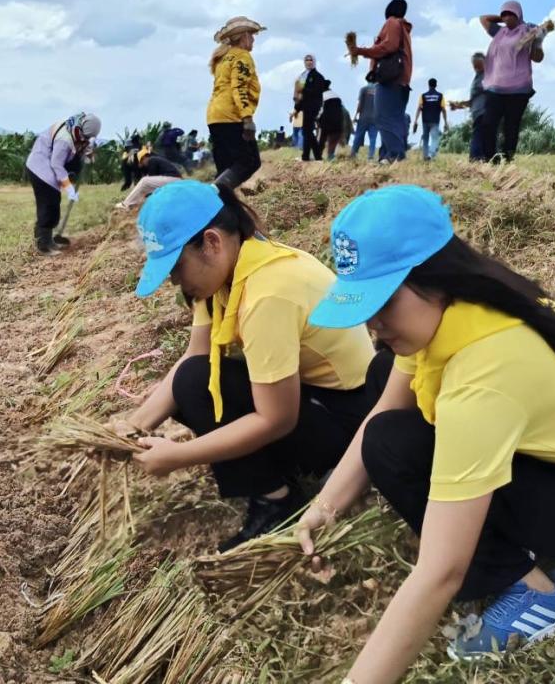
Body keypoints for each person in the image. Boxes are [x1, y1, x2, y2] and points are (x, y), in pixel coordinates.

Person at [298, 186, 555, 677]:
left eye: (384, 303)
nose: (374, 325)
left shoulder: (484, 372)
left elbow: (440, 571)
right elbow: (385, 405)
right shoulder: (464, 303)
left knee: (393, 445)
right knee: (386, 379)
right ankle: (517, 540)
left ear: (433, 279)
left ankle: (539, 592)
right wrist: (324, 509)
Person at [120, 181, 387, 550]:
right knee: (194, 380)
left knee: (199, 384)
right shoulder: (228, 272)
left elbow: (277, 419)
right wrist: (128, 429)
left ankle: (277, 499)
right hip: (307, 396)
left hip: (346, 417)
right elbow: (193, 359)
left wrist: (178, 457)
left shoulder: (267, 292)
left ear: (211, 243)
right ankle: (275, 472)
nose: (174, 280)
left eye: (176, 267)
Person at [477, 3, 551, 162]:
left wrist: (538, 41)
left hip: (519, 89)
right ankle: (490, 159)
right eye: (504, 14)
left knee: (511, 126)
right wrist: (504, 19)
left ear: (519, 15)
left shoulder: (528, 32)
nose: (507, 17)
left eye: (511, 14)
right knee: (488, 123)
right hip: (495, 87)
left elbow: (537, 58)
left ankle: (507, 158)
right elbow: (483, 19)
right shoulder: (499, 32)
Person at [348, 0, 413, 163]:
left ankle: (395, 155)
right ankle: (386, 156)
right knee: (395, 118)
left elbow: (388, 47)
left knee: (383, 117)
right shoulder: (404, 28)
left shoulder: (392, 22)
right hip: (402, 80)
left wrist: (361, 51)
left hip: (390, 79)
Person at [26, 111, 101, 253]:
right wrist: (69, 188)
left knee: (53, 205)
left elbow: (81, 144)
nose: (86, 139)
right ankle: (43, 245)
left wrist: (87, 152)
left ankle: (47, 239)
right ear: (82, 129)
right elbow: (56, 164)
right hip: (40, 168)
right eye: (86, 136)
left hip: (48, 168)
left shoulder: (76, 128)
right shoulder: (64, 139)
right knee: (49, 205)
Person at [206, 16, 264, 190]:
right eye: (251, 35)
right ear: (244, 36)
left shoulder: (224, 58)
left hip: (214, 116)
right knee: (250, 161)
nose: (253, 39)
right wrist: (247, 118)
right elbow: (238, 87)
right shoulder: (242, 56)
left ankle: (219, 206)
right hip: (231, 116)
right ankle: (214, 192)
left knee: (226, 167)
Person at [448, 53, 488, 161]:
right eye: (475, 66)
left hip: (485, 112)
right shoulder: (477, 78)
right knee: (480, 136)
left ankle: (477, 159)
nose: (477, 68)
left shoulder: (488, 76)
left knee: (480, 137)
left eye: (479, 65)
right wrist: (458, 105)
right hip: (477, 112)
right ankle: (480, 160)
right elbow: (473, 101)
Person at [116, 147, 184, 210]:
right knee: (146, 182)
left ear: (144, 157)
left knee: (145, 181)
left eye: (141, 162)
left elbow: (149, 181)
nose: (143, 165)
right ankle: (132, 203)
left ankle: (126, 204)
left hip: (174, 180)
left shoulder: (152, 160)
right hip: (174, 181)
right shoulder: (156, 160)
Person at [295, 55, 327, 162]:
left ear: (314, 62)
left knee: (307, 131)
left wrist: (304, 90)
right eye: (306, 60)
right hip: (305, 106)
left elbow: (316, 92)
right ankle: (306, 156)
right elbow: (299, 94)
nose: (309, 62)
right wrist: (297, 108)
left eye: (310, 60)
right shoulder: (302, 76)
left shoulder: (318, 77)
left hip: (313, 107)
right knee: (307, 131)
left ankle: (317, 156)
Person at [412, 78, 449, 161]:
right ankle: (431, 154)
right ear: (436, 85)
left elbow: (419, 108)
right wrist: (446, 122)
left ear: (428, 85)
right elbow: (443, 109)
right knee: (434, 139)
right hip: (435, 121)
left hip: (425, 120)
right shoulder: (440, 96)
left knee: (426, 139)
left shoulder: (423, 96)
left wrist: (415, 120)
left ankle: (425, 156)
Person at [351, 77, 379, 160]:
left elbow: (360, 104)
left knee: (358, 135)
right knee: (373, 138)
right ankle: (371, 156)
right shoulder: (379, 91)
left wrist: (356, 116)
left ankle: (353, 153)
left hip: (363, 117)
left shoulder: (363, 89)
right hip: (375, 118)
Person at [317, 81, 346, 161]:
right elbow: (342, 110)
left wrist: (317, 120)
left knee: (322, 139)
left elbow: (319, 110)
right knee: (333, 140)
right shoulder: (337, 96)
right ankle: (330, 156)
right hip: (338, 122)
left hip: (326, 121)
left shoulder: (321, 96)